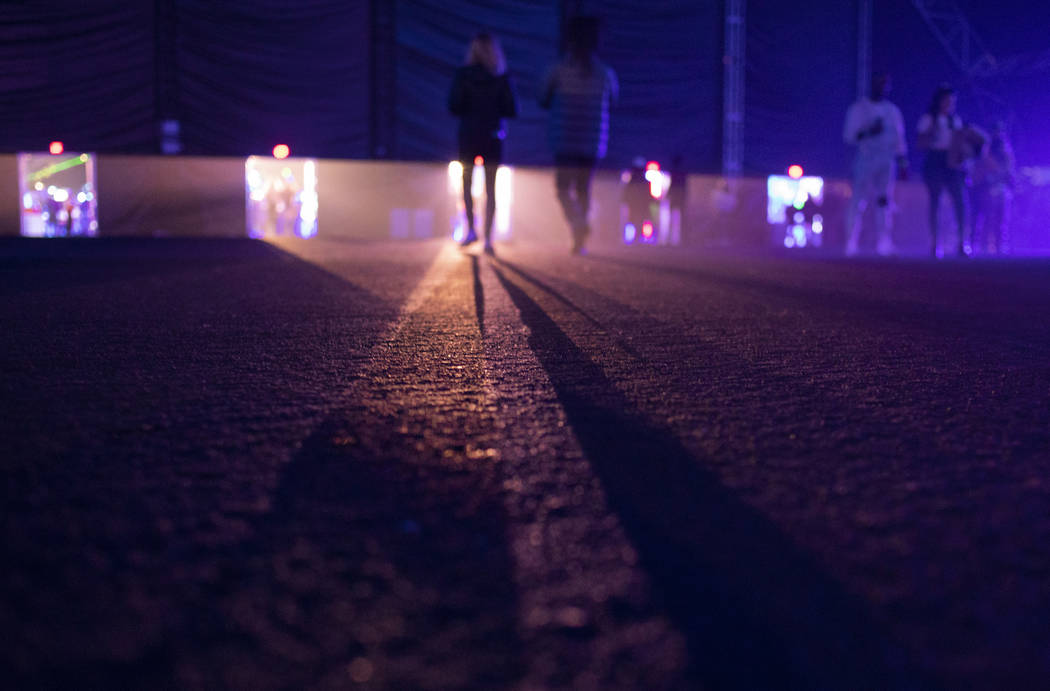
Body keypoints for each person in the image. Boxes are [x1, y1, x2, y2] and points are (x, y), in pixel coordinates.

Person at [539, 15, 619, 254]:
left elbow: (542, 98)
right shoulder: (606, 73)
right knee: (584, 188)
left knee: (563, 189)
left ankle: (578, 224)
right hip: (593, 140)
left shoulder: (557, 70)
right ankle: (580, 238)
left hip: (563, 138)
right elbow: (614, 101)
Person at [448, 33, 517, 253]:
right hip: (493, 136)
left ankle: (470, 230)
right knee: (491, 188)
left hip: (468, 135)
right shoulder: (501, 76)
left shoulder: (463, 75)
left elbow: (454, 105)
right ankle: (488, 238)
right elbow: (512, 109)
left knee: (466, 185)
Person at [842, 73, 908, 256]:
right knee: (857, 200)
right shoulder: (858, 109)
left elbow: (899, 139)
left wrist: (903, 161)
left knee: (884, 200)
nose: (882, 88)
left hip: (886, 161)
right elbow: (849, 136)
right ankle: (851, 242)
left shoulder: (892, 111)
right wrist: (870, 131)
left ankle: (884, 242)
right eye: (879, 83)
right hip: (865, 159)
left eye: (885, 84)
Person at [917, 85, 967, 257]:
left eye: (952, 101)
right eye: (946, 100)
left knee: (960, 201)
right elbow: (921, 142)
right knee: (935, 202)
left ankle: (961, 241)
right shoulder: (929, 119)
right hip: (935, 161)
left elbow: (960, 143)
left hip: (952, 163)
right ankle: (934, 242)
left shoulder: (956, 120)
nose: (949, 104)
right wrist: (933, 133)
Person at [972, 122, 1016, 255]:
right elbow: (980, 172)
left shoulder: (1006, 153)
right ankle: (983, 246)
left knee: (1001, 219)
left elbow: (1009, 173)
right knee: (986, 218)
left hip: (1001, 190)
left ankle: (999, 245)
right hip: (987, 190)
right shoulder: (986, 152)